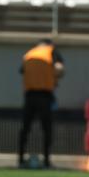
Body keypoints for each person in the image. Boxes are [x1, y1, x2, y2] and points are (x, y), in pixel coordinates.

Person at [17, 38, 64, 169]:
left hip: (29, 95)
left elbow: (22, 71)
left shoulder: (29, 54)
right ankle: (47, 161)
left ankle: (20, 159)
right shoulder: (51, 51)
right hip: (44, 95)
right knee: (47, 129)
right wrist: (54, 78)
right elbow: (59, 68)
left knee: (25, 128)